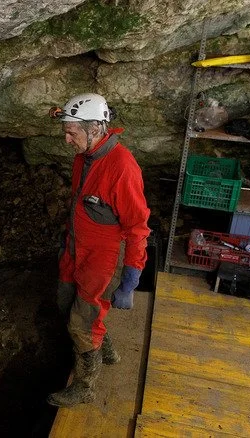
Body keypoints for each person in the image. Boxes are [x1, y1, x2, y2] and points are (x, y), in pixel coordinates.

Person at [46, 93, 150, 407]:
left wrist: (131, 278)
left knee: (82, 319)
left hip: (104, 258)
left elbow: (138, 228)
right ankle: (106, 349)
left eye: (71, 133)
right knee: (65, 301)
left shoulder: (121, 167)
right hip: (77, 249)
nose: (66, 139)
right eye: (65, 131)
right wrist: (69, 243)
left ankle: (85, 386)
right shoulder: (85, 157)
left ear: (95, 129)